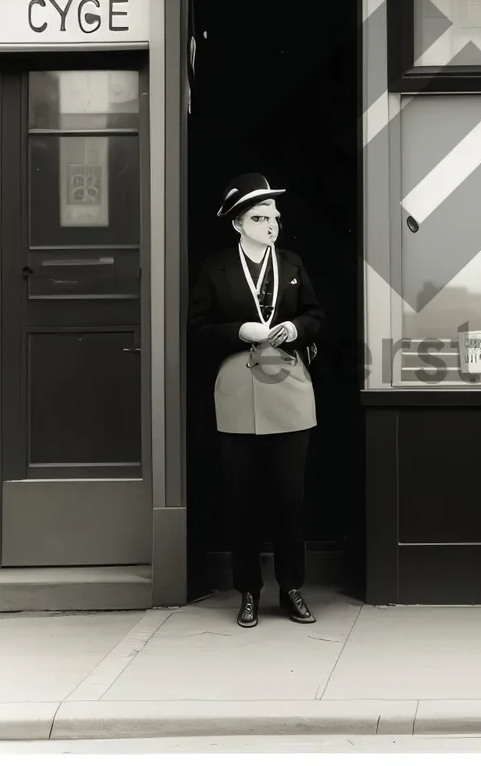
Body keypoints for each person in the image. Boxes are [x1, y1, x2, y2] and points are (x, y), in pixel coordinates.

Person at [188, 172, 324, 628]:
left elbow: (316, 314)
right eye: (260, 217)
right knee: (242, 498)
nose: (271, 225)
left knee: (290, 497)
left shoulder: (291, 264)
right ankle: (248, 591)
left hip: (287, 386)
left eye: (274, 218)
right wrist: (239, 331)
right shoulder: (216, 269)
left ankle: (292, 588)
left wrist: (297, 329)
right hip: (238, 388)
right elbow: (198, 330)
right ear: (238, 224)